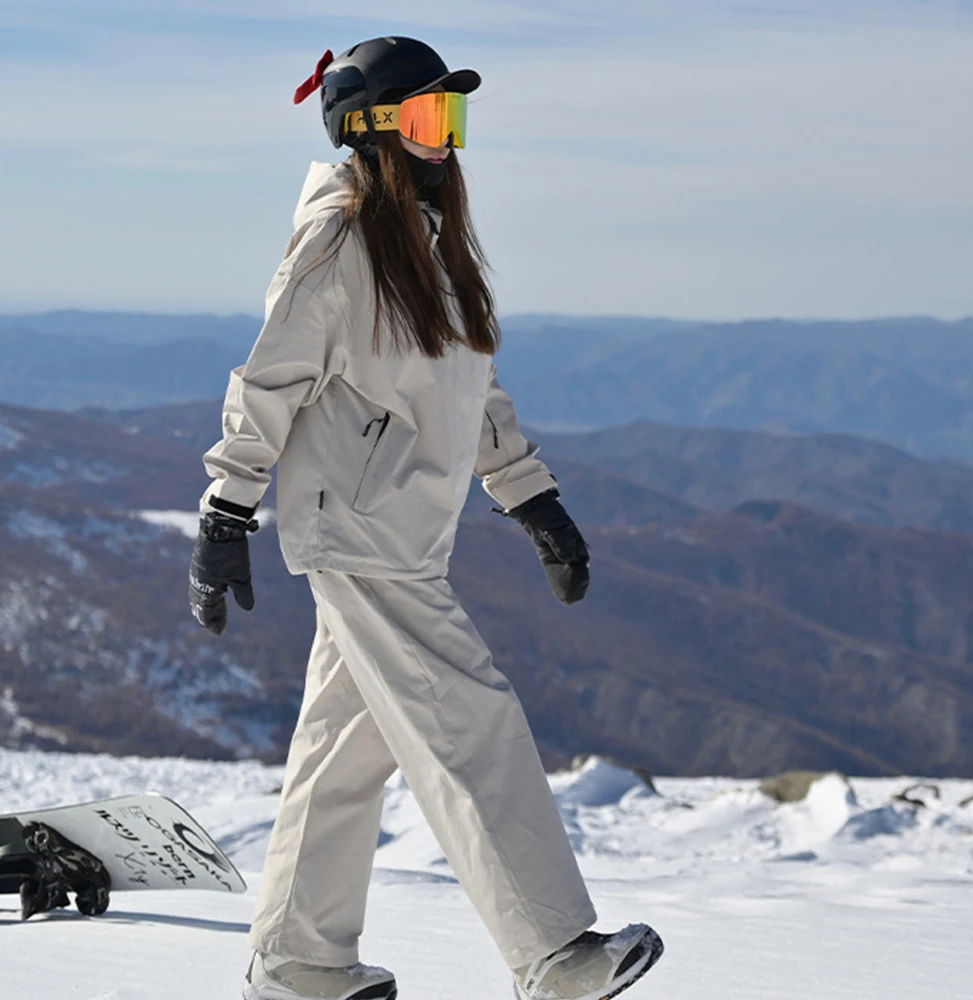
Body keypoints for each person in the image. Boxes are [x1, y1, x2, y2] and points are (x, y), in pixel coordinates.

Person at [188, 36, 663, 1000]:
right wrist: (225, 511)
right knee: (468, 719)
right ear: (369, 130)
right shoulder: (340, 245)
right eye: (422, 117)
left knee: (342, 752)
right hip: (359, 531)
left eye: (451, 117)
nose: (442, 138)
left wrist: (533, 499)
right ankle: (554, 954)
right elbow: (270, 381)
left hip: (401, 530)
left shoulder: (427, 247)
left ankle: (297, 966)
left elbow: (467, 386)